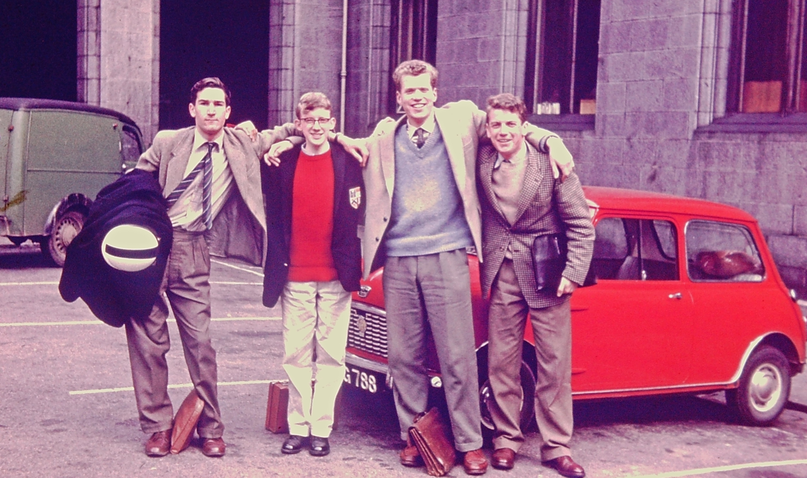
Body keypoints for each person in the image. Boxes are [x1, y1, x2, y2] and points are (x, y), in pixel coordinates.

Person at [355, 60, 575, 475]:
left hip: (449, 253)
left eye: (424, 89)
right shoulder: (384, 136)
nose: (417, 97)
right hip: (398, 258)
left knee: (458, 356)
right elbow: (330, 140)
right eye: (409, 91)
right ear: (398, 97)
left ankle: (470, 442)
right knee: (404, 357)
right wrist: (281, 138)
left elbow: (510, 124)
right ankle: (415, 436)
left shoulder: (461, 120)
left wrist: (552, 141)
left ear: (435, 92)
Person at [130, 77, 298, 458]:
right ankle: (157, 427)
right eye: (203, 103)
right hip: (153, 244)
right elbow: (134, 186)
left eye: (217, 104)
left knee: (200, 344)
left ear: (227, 112)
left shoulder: (241, 143)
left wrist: (291, 137)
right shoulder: (167, 143)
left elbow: (288, 130)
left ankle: (209, 428)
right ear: (192, 110)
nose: (210, 109)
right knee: (148, 341)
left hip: (193, 248)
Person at [476, 93, 594, 478]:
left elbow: (580, 224)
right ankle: (506, 441)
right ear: (488, 127)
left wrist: (572, 273)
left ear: (525, 127)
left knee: (553, 366)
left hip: (547, 276)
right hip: (502, 272)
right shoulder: (481, 156)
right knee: (501, 363)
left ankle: (556, 447)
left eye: (511, 124)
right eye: (497, 124)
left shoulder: (551, 163)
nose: (503, 131)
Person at [259, 92, 364, 457]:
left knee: (332, 355)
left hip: (337, 274)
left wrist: (340, 139)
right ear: (299, 124)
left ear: (332, 123)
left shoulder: (348, 160)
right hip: (295, 275)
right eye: (310, 121)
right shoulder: (282, 160)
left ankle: (322, 428)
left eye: (324, 120)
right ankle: (298, 427)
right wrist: (284, 140)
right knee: (297, 354)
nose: (317, 127)